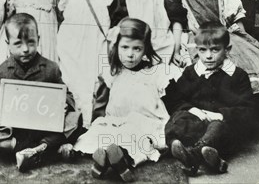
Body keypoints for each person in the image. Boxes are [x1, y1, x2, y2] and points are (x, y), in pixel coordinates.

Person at [74, 18, 180, 182]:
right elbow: (101, 103)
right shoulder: (113, 73)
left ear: (145, 49)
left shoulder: (156, 73)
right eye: (125, 47)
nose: (130, 54)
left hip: (144, 123)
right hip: (115, 122)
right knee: (100, 133)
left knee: (135, 138)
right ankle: (105, 159)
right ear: (116, 47)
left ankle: (120, 158)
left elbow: (173, 102)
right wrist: (95, 122)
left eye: (137, 48)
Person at [0, 13, 81, 172]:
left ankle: (36, 151)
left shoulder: (51, 68)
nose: (26, 49)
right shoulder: (1, 72)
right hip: (16, 131)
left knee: (75, 120)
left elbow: (66, 95)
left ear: (39, 40)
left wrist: (64, 104)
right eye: (18, 44)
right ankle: (50, 150)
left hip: (46, 127)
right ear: (8, 44)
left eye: (30, 42)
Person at [165, 23, 258, 176]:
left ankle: (195, 155)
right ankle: (192, 153)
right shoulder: (191, 73)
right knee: (178, 118)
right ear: (197, 50)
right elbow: (176, 99)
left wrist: (221, 115)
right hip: (196, 122)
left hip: (221, 128)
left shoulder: (237, 76)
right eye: (202, 50)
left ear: (227, 50)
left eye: (215, 49)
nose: (208, 56)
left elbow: (247, 109)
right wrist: (192, 109)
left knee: (218, 128)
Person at [52, 0, 117, 126]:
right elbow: (60, 17)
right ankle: (76, 125)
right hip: (72, 46)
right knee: (74, 82)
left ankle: (94, 124)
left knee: (97, 82)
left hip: (97, 43)